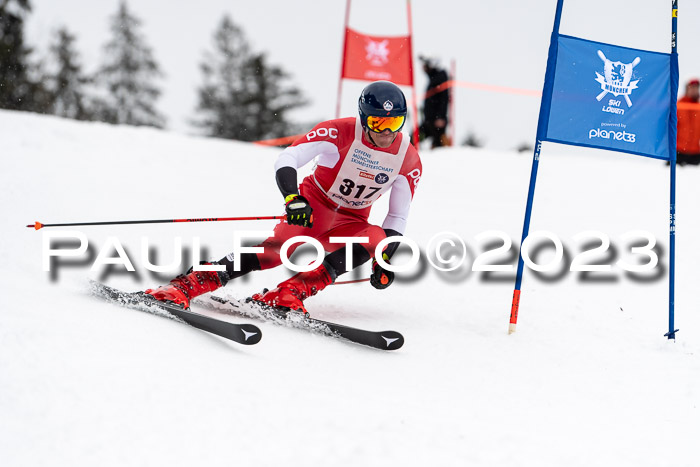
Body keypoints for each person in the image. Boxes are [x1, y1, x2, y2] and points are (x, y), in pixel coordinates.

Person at [144, 80, 422, 314]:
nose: (386, 132)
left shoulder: (407, 158)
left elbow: (397, 215)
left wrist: (383, 259)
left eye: (394, 122)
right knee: (275, 253)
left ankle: (290, 293)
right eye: (377, 122)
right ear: (364, 117)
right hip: (313, 208)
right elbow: (288, 157)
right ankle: (188, 284)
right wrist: (292, 197)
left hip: (351, 222)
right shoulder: (339, 132)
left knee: (377, 239)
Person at [417, 56, 450, 149]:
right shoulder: (434, 79)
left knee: (439, 147)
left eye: (426, 65)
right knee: (415, 137)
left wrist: (440, 117)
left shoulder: (440, 79)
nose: (423, 68)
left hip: (437, 121)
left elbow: (444, 99)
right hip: (429, 119)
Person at [676, 78, 700, 166]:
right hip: (679, 151)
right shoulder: (679, 105)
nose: (694, 90)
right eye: (692, 88)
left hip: (695, 153)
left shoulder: (698, 106)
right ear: (687, 89)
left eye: (696, 88)